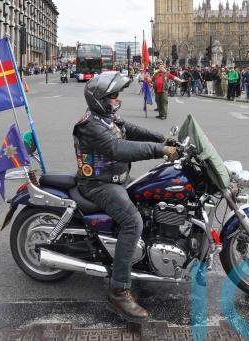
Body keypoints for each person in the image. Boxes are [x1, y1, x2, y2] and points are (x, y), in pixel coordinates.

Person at [73, 71, 179, 320]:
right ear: (100, 98)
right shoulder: (90, 125)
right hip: (99, 184)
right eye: (112, 95)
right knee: (133, 221)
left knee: (155, 197)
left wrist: (162, 137)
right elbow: (117, 148)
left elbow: (128, 128)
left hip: (115, 178)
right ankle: (119, 289)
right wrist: (160, 150)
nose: (117, 99)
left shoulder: (105, 117)